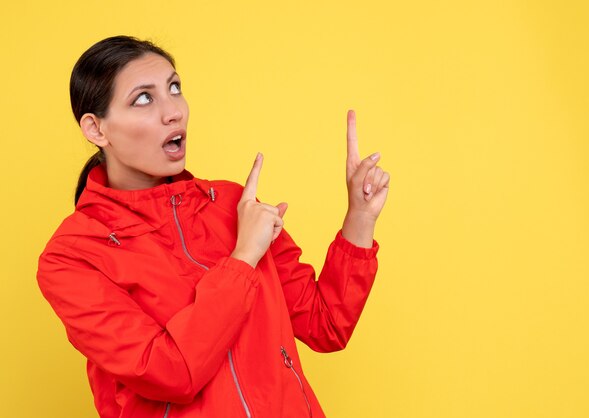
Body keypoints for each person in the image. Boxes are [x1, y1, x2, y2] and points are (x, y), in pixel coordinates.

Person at [37, 35, 390, 418]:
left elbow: (326, 325)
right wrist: (243, 259)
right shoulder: (72, 256)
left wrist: (360, 216)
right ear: (96, 129)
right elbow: (171, 373)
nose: (173, 111)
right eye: (144, 98)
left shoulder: (234, 206)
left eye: (174, 88)